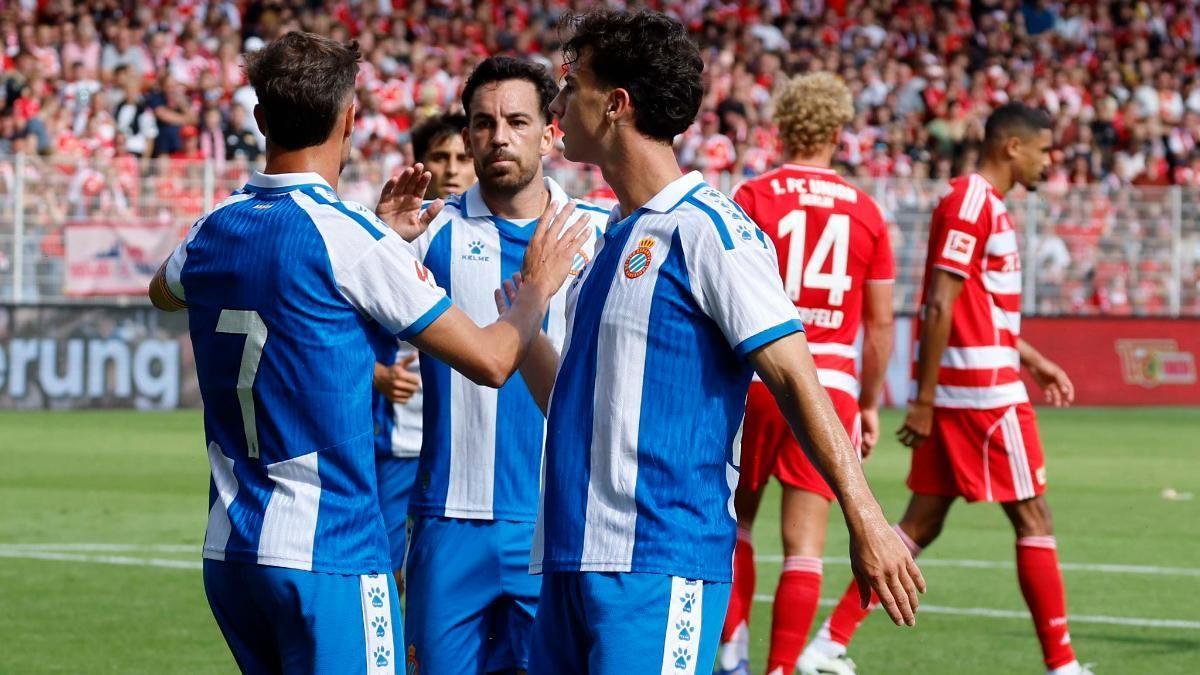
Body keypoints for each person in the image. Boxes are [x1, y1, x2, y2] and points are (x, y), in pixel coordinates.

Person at [493, 10, 922, 674]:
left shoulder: (710, 230)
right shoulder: (609, 234)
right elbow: (582, 405)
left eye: (570, 86)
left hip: (659, 566)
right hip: (571, 559)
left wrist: (867, 519)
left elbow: (795, 377)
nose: (557, 106)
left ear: (615, 105)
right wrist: (524, 325)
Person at [146, 32, 589, 675]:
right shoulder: (350, 238)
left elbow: (163, 291)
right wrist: (535, 292)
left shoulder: (212, 228)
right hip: (331, 552)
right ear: (350, 119)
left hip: (232, 551)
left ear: (261, 118)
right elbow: (493, 362)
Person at [799, 102, 1093, 675]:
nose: (1048, 160)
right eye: (1044, 149)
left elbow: (977, 308)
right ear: (1012, 146)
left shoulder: (983, 204)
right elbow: (940, 301)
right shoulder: (973, 202)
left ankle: (825, 646)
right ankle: (1062, 665)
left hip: (979, 385)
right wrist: (925, 401)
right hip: (982, 396)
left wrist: (1032, 359)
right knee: (1034, 518)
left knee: (918, 526)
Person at [402, 55, 605, 675]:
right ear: (466, 136)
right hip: (448, 522)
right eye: (483, 123)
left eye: (517, 121)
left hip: (560, 524)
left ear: (550, 132)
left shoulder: (603, 235)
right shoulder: (427, 234)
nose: (499, 137)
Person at [714, 72, 896, 675]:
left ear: (785, 125)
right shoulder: (867, 211)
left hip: (761, 376)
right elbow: (881, 326)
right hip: (831, 387)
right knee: (806, 545)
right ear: (840, 131)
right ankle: (782, 669)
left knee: (735, 521)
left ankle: (731, 647)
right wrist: (869, 403)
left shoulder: (754, 195)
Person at [369, 112, 475, 593]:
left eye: (463, 157)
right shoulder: (393, 240)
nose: (453, 168)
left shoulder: (505, 237)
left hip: (471, 449)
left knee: (446, 585)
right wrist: (378, 375)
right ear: (420, 164)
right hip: (402, 441)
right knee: (386, 577)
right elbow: (337, 333)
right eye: (440, 157)